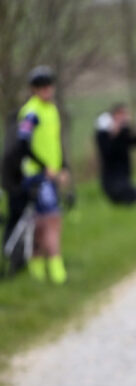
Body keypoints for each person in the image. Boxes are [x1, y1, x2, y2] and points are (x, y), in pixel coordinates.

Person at [16, 66, 70, 284]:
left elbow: (55, 143)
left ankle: (36, 268)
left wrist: (63, 166)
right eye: (42, 87)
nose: (47, 91)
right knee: (52, 220)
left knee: (40, 223)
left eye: (49, 86)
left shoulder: (53, 110)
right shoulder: (32, 112)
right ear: (34, 90)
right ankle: (57, 269)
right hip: (37, 175)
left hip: (52, 174)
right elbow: (23, 143)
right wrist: (43, 166)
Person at [95, 103, 136, 205]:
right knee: (120, 195)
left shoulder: (125, 132)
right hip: (111, 177)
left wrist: (132, 130)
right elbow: (107, 152)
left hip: (124, 176)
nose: (123, 118)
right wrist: (114, 133)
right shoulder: (103, 134)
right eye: (121, 114)